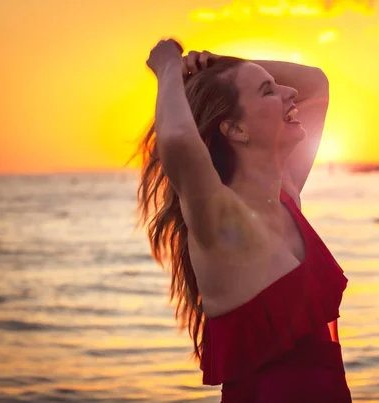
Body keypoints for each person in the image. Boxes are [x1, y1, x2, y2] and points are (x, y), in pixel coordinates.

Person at [137, 38, 351, 403]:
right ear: (235, 130)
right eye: (269, 91)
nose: (290, 93)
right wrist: (168, 63)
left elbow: (316, 84)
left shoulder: (287, 196)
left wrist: (224, 64)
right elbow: (176, 139)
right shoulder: (222, 222)